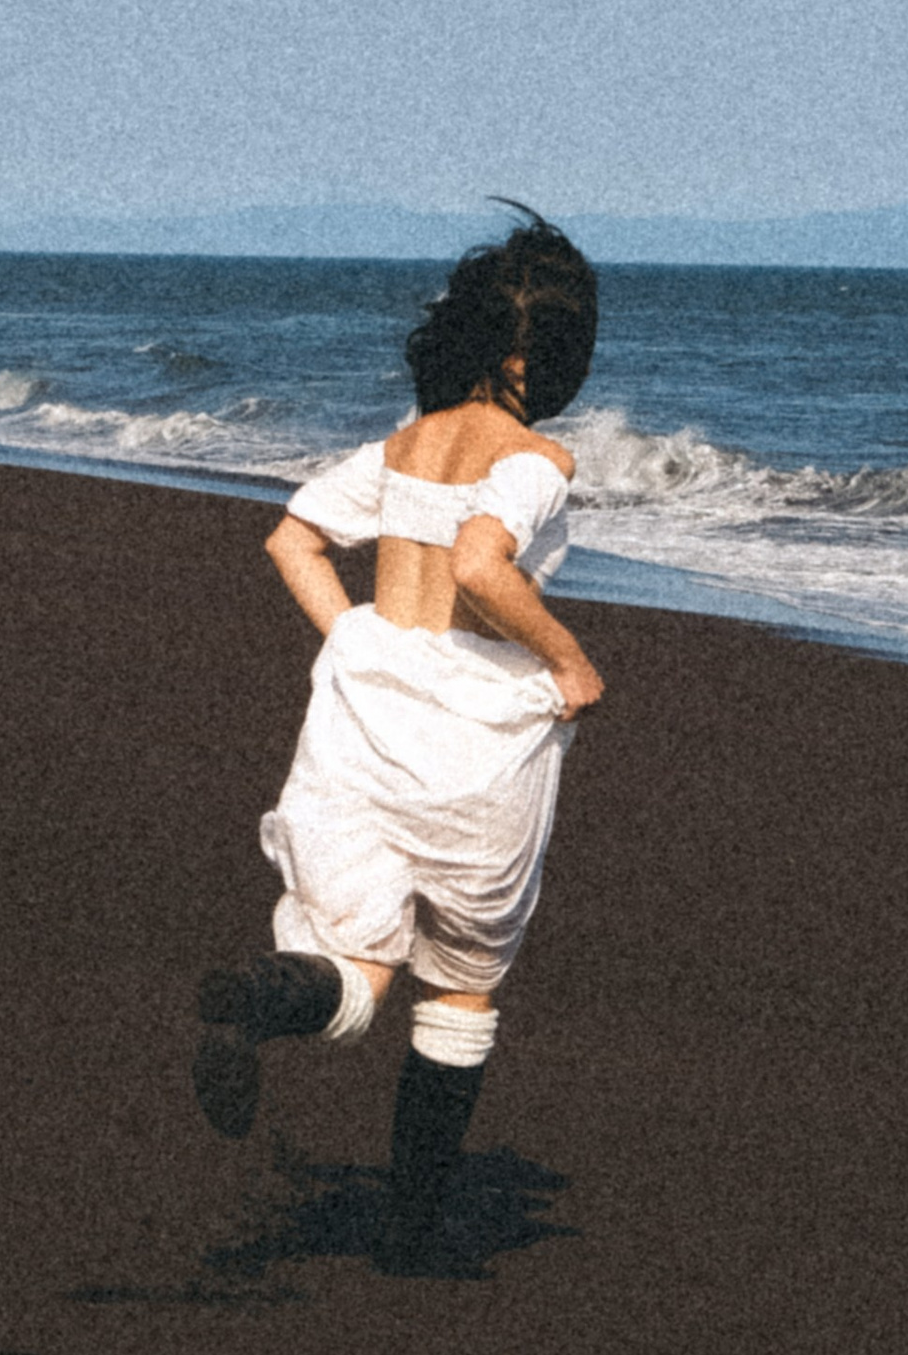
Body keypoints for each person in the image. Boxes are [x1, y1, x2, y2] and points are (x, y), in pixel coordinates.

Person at [193, 209, 606, 1276]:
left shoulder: (404, 445)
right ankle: (410, 1234)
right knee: (462, 979)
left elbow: (292, 537)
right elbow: (480, 566)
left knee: (358, 964)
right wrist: (569, 663)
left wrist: (363, 640)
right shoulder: (535, 458)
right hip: (474, 741)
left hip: (363, 718)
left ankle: (270, 998)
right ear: (535, 357)